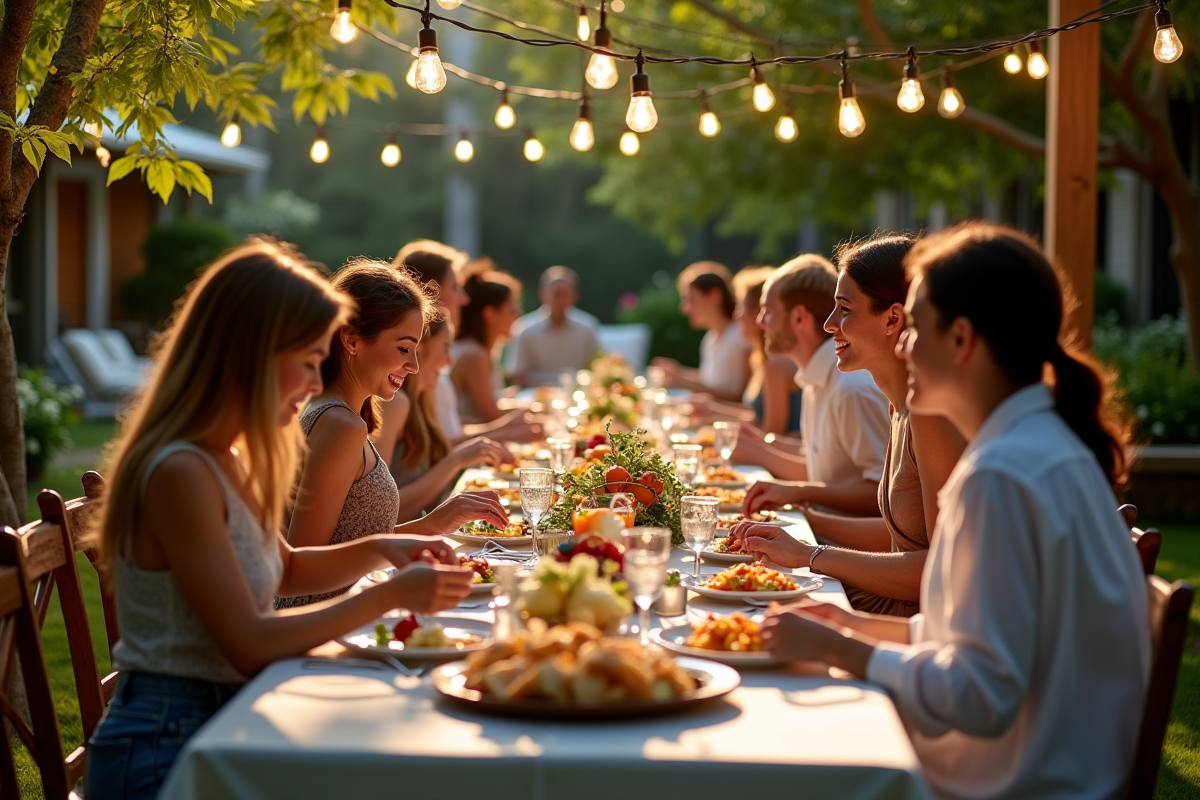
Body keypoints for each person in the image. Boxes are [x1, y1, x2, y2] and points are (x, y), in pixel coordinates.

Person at [759, 223, 1148, 800]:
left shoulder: (1003, 475)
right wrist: (848, 624)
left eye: (915, 326)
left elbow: (981, 694)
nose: (906, 345)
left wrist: (844, 650)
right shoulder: (1033, 449)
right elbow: (977, 637)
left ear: (961, 339)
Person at [83, 241, 474, 800]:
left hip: (227, 712)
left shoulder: (225, 458)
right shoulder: (182, 471)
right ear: (254, 353)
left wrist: (387, 551)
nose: (317, 384)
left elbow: (286, 567)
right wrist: (390, 596)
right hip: (170, 744)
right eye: (309, 362)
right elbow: (245, 639)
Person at [729, 236, 965, 616]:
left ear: (892, 319)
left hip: (913, 622)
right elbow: (899, 540)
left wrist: (810, 552)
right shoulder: (898, 406)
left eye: (843, 309)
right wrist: (802, 529)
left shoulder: (928, 414)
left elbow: (938, 568)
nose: (829, 324)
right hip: (887, 602)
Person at [278, 261, 508, 608]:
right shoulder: (341, 425)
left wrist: (433, 524)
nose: (413, 365)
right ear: (352, 340)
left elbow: (350, 544)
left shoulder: (343, 415)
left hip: (351, 616)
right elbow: (303, 569)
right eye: (403, 348)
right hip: (329, 630)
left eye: (416, 350)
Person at [741, 254, 890, 515]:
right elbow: (824, 467)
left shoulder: (850, 389)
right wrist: (764, 443)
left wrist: (796, 490)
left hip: (841, 547)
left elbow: (882, 494)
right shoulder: (816, 377)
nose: (759, 322)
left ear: (799, 318)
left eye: (768, 311)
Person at [379, 240, 538, 453]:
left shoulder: (428, 356)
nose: (464, 299)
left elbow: (443, 430)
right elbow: (423, 455)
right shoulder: (407, 369)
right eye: (455, 288)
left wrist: (501, 428)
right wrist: (504, 430)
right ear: (428, 293)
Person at [389, 314, 514, 518]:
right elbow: (384, 510)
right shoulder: (395, 403)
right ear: (419, 350)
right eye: (446, 348)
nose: (450, 360)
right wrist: (457, 460)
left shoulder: (424, 398)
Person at [687, 266, 803, 436]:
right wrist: (713, 412)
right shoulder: (761, 357)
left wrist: (718, 421)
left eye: (744, 308)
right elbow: (755, 417)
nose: (737, 316)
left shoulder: (776, 363)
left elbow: (772, 434)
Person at [650, 261, 752, 402]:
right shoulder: (711, 337)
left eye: (691, 300)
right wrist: (678, 372)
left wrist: (682, 380)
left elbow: (738, 398)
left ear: (714, 296)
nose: (684, 308)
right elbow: (710, 380)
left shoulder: (740, 337)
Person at [451, 263, 523, 424]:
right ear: (490, 314)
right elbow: (493, 416)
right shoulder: (475, 355)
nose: (517, 317)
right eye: (513, 310)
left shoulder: (483, 350)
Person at [508, 266, 601, 387]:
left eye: (566, 294)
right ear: (543, 294)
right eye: (557, 294)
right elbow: (519, 376)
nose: (561, 301)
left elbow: (597, 368)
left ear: (575, 295)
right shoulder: (524, 328)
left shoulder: (588, 326)